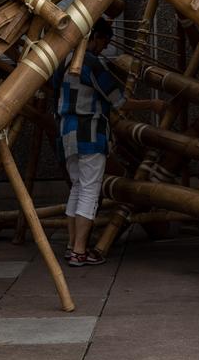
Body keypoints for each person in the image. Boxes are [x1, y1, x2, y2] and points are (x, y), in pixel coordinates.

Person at [57, 18, 160, 266]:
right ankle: (80, 251)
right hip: (90, 132)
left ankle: (72, 245)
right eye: (105, 42)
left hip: (67, 131)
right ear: (96, 37)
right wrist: (153, 104)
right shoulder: (90, 62)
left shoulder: (62, 60)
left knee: (78, 187)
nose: (104, 48)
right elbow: (119, 101)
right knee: (90, 191)